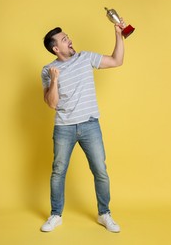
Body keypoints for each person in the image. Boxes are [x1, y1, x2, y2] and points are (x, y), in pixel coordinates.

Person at [40, 18, 126, 233]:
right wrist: (55, 80)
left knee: (100, 170)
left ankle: (104, 213)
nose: (70, 41)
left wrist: (118, 34)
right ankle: (56, 215)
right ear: (55, 48)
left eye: (68, 37)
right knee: (58, 171)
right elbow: (52, 104)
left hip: (89, 125)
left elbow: (117, 61)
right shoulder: (48, 70)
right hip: (64, 128)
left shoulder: (85, 57)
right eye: (64, 39)